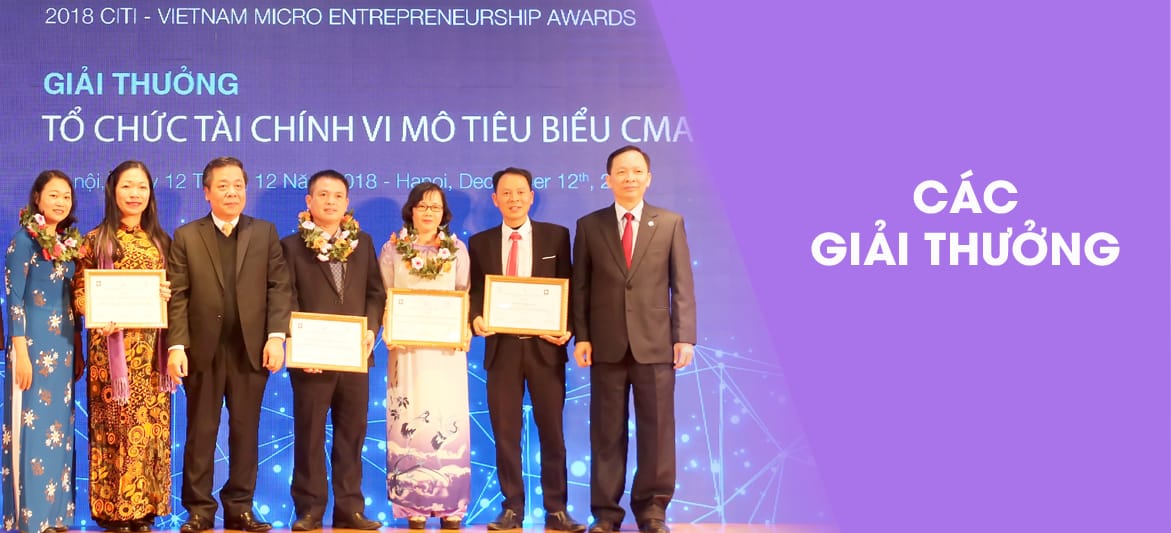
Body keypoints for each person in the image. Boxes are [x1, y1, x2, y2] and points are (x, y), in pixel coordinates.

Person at [571, 146, 696, 533]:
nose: (629, 177)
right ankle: (606, 513)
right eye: (621, 172)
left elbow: (682, 284)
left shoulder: (670, 222)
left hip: (656, 344)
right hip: (606, 345)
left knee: (657, 433)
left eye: (637, 171)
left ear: (648, 178)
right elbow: (581, 287)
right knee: (606, 433)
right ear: (608, 179)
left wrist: (685, 337)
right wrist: (582, 336)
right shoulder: (589, 226)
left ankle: (652, 510)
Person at [165, 156, 291, 533]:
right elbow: (178, 296)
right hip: (202, 351)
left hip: (250, 350)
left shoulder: (264, 232)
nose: (232, 192)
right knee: (201, 432)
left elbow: (278, 287)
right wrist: (176, 346)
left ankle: (240, 508)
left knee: (245, 432)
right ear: (207, 192)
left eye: (238, 185)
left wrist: (276, 337)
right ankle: (199, 510)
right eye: (223, 186)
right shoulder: (187, 236)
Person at [467, 168, 584, 532]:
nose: (514, 198)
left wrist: (569, 327)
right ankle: (512, 509)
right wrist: (475, 317)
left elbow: (571, 286)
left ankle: (557, 510)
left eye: (520, 192)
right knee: (505, 435)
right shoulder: (480, 243)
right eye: (506, 193)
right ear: (495, 199)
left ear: (531, 196)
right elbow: (475, 292)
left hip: (545, 350)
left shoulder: (556, 236)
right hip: (502, 351)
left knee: (552, 434)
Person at [72, 161, 174, 532]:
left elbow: (176, 293)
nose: (135, 194)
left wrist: (167, 293)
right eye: (127, 186)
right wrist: (96, 312)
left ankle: (144, 510)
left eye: (142, 187)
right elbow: (79, 292)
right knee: (112, 428)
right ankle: (112, 512)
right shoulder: (95, 240)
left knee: (149, 430)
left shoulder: (161, 241)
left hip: (151, 356)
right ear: (113, 191)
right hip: (110, 353)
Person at [280, 170, 385, 532]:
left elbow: (375, 293)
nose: (330, 201)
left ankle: (349, 509)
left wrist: (371, 329)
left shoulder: (363, 243)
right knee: (310, 434)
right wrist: (300, 345)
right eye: (323, 195)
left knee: (352, 434)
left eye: (338, 196)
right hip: (311, 359)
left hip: (355, 356)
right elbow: (286, 297)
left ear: (347, 203)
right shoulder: (291, 246)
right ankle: (309, 510)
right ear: (309, 201)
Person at [378, 183, 471, 530]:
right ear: (411, 210)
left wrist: (462, 329)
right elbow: (385, 294)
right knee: (409, 419)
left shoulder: (456, 249)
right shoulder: (392, 249)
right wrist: (389, 325)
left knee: (448, 419)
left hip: (445, 352)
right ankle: (412, 504)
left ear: (444, 213)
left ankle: (451, 506)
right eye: (422, 206)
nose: (429, 212)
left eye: (435, 207)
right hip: (408, 350)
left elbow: (463, 293)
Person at [2, 170, 83, 533]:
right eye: (53, 194)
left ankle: (56, 516)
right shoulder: (23, 241)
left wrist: (77, 346)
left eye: (66, 196)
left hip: (62, 347)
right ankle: (30, 518)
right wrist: (19, 348)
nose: (60, 202)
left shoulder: (66, 244)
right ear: (37, 198)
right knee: (32, 429)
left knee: (58, 431)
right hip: (32, 346)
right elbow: (14, 299)